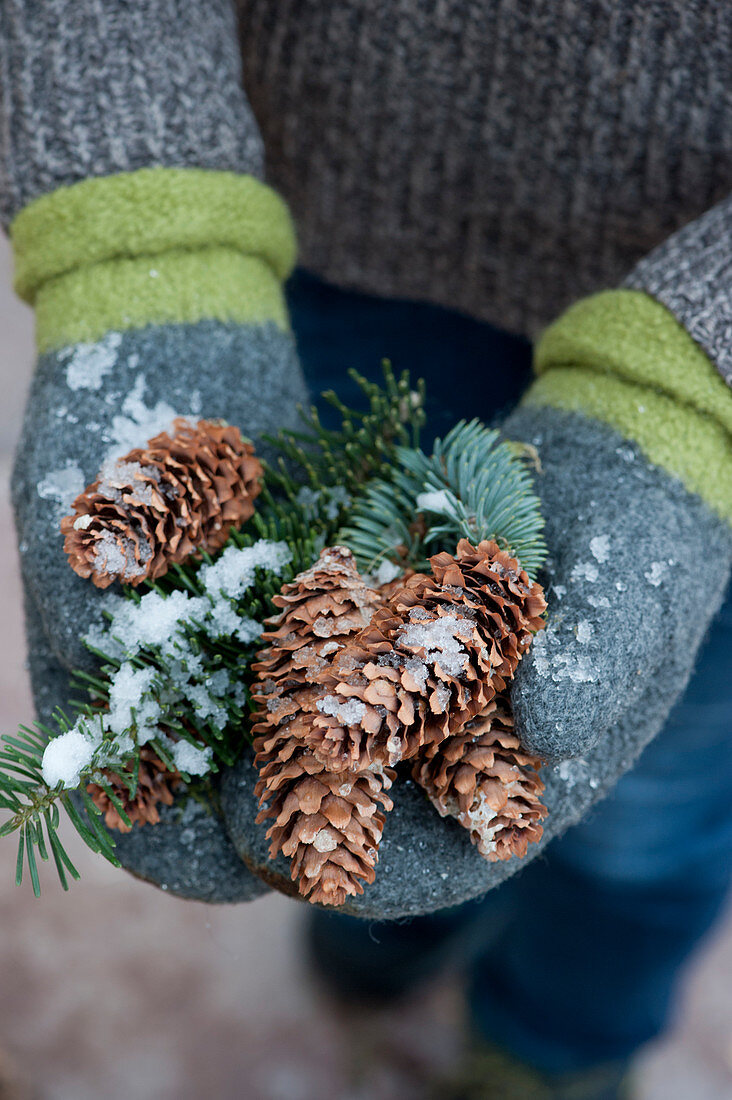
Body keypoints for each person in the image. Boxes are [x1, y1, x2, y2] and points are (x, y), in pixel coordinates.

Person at [1, 4, 729, 1097]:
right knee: (387, 747)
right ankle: (374, 943)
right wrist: (142, 221)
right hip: (332, 219)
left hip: (707, 379)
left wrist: (703, 379)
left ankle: (557, 1041)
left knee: (648, 802)